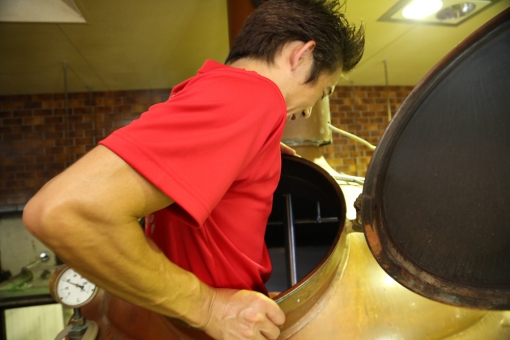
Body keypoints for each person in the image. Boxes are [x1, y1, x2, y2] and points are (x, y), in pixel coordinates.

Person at [23, 0, 364, 339]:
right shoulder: (253, 97)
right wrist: (208, 307)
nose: (309, 111)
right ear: (300, 55)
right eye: (323, 91)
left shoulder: (215, 90)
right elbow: (62, 212)